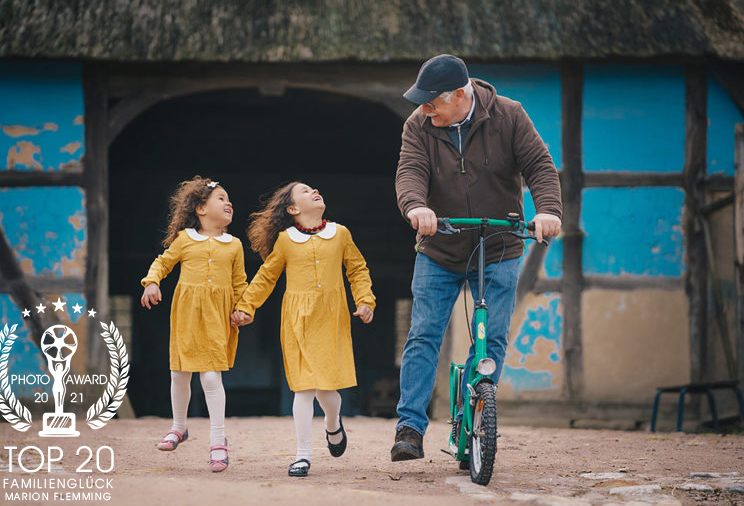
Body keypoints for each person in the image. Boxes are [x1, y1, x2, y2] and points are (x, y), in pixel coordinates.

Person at [392, 54, 562, 461]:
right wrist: (417, 207)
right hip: (440, 247)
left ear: (457, 96)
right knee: (424, 334)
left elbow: (539, 166)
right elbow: (410, 171)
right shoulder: (419, 124)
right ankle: (410, 427)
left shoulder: (509, 116)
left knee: (493, 337)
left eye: (431, 102)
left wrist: (548, 211)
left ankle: (474, 413)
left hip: (499, 244)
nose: (424, 109)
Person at [231, 182, 375, 477]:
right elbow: (266, 277)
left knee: (328, 391)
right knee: (304, 388)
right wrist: (246, 306)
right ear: (293, 209)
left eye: (314, 189)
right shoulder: (286, 240)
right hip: (297, 320)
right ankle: (302, 454)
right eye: (306, 191)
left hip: (330, 318)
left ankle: (333, 423)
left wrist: (365, 300)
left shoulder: (341, 234)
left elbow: (357, 269)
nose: (315, 191)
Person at [140, 176, 248, 473]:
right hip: (186, 315)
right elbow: (162, 263)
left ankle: (217, 441)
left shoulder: (234, 245)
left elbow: (240, 283)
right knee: (180, 372)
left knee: (211, 377)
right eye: (221, 198)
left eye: (229, 200)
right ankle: (179, 427)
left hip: (217, 317)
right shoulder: (185, 239)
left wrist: (243, 308)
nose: (229, 203)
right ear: (201, 208)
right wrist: (151, 283)